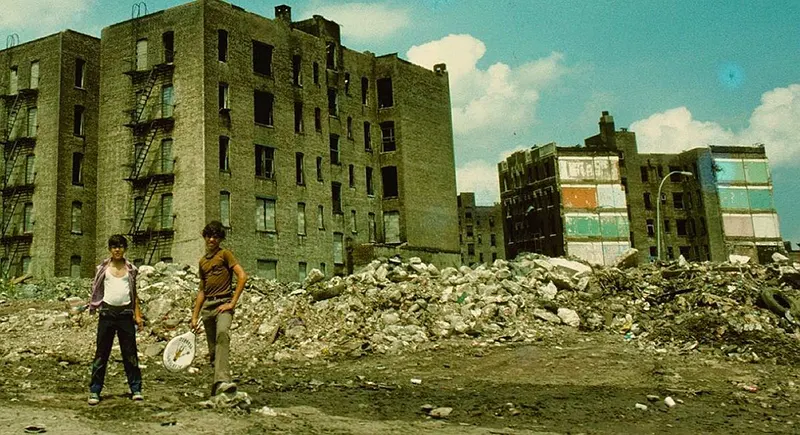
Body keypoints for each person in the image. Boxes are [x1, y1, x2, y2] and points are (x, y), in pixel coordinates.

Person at [190, 220, 248, 396]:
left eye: (215, 236)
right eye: (209, 236)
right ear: (205, 237)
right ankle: (218, 386)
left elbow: (242, 276)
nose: (212, 240)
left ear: (220, 239)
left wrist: (232, 303)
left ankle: (223, 380)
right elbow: (202, 290)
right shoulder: (202, 262)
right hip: (208, 306)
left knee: (222, 334)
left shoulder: (225, 255)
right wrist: (194, 316)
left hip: (224, 304)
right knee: (213, 348)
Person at [87, 234, 144, 405]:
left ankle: (136, 389)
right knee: (101, 354)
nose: (117, 249)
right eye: (114, 247)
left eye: (120, 246)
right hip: (107, 315)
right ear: (110, 249)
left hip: (125, 315)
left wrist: (138, 315)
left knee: (130, 354)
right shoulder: (103, 269)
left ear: (124, 248)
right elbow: (96, 289)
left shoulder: (131, 270)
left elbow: (134, 295)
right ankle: (95, 391)